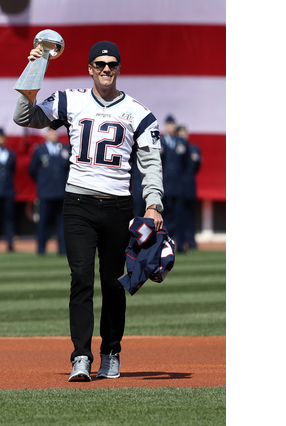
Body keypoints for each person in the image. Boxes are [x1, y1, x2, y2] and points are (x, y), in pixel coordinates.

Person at [13, 41, 164, 382]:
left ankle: (111, 351)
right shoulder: (71, 99)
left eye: (112, 64)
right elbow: (24, 116)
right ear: (90, 68)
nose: (106, 69)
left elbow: (151, 163)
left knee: (112, 283)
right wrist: (35, 67)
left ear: (119, 69)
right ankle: (81, 355)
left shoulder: (138, 112)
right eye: (100, 64)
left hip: (118, 206)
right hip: (78, 203)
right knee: (81, 279)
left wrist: (154, 203)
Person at [28, 127, 69, 255]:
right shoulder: (40, 150)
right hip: (45, 192)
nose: (53, 134)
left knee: (61, 222)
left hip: (61, 191)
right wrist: (41, 181)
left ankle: (62, 249)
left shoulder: (65, 148)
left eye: (55, 131)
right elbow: (31, 169)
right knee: (43, 222)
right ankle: (41, 249)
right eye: (50, 131)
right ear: (46, 134)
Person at [158, 115, 188, 251]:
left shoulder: (181, 142)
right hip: (165, 185)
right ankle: (164, 244)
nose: (170, 127)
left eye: (172, 124)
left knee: (179, 217)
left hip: (178, 186)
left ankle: (180, 244)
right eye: (168, 124)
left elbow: (187, 164)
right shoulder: (161, 142)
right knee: (165, 217)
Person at [177, 125, 201, 251]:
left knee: (190, 216)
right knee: (177, 215)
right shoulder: (176, 149)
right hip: (177, 187)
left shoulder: (194, 149)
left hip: (190, 186)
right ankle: (178, 240)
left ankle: (191, 240)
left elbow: (197, 166)